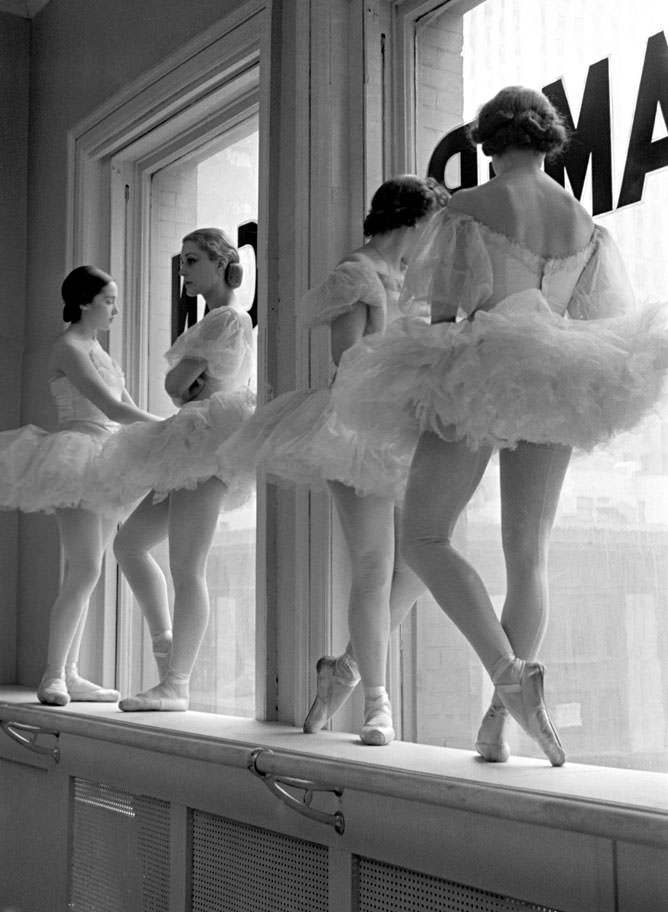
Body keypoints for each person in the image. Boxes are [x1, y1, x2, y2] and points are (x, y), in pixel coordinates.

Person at [332, 87, 668, 765]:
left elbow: (445, 320)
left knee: (424, 535)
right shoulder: (584, 222)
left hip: (480, 369)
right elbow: (590, 318)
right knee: (529, 554)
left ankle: (510, 679)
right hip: (559, 375)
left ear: (489, 140)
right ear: (547, 137)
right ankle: (497, 725)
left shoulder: (467, 209)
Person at [220, 176, 448, 744]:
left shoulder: (409, 278)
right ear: (412, 219)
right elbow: (347, 364)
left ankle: (342, 671)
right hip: (355, 426)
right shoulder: (357, 274)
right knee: (374, 565)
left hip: (405, 428)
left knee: (422, 563)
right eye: (433, 227)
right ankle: (376, 702)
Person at [99, 228, 255, 712]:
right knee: (128, 543)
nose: (183, 270)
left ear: (219, 263)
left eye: (191, 261)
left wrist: (182, 384)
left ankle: (177, 683)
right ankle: (167, 647)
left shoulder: (226, 318)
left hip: (206, 444)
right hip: (191, 440)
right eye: (183, 261)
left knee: (188, 566)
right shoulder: (216, 321)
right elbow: (179, 385)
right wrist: (181, 385)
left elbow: (177, 382)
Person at [0, 265, 160, 706]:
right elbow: (110, 406)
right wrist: (172, 425)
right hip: (77, 456)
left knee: (89, 569)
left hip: (108, 457)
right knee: (85, 567)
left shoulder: (100, 351)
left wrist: (163, 428)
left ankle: (68, 672)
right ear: (85, 302)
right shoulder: (69, 347)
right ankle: (53, 674)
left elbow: (125, 407)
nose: (116, 308)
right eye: (109, 300)